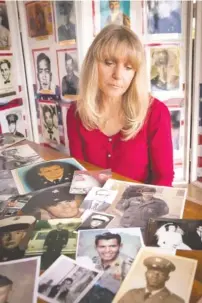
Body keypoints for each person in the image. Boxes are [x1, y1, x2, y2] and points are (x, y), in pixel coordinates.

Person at [67, 24, 174, 187]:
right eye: (109, 63)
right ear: (93, 64)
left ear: (135, 73)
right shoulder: (76, 112)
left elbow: (163, 178)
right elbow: (82, 176)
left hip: (141, 206)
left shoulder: (156, 113)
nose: (118, 75)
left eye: (128, 67)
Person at [117, 256, 184, 303]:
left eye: (160, 273)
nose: (155, 276)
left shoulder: (175, 301)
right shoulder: (131, 293)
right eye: (151, 272)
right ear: (146, 274)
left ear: (167, 278)